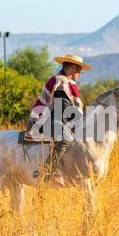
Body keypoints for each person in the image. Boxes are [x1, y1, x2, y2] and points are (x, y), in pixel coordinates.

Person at [27, 54, 92, 186]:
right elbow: (61, 110)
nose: (80, 74)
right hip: (44, 120)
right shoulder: (62, 82)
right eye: (80, 70)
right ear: (73, 68)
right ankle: (46, 172)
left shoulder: (63, 80)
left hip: (53, 119)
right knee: (64, 140)